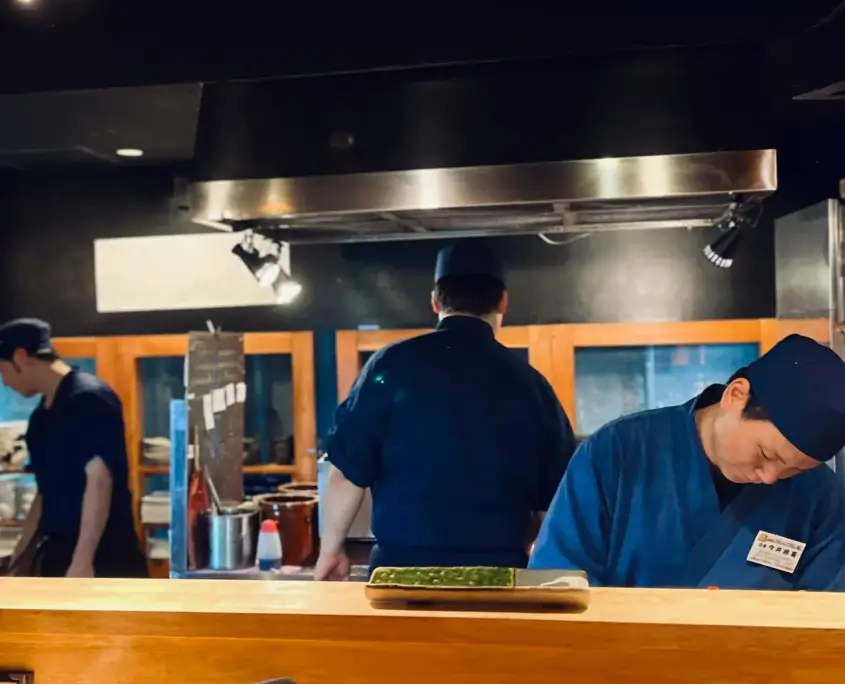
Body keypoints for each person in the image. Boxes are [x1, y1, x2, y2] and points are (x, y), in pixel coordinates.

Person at [315, 241, 577, 580]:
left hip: (399, 575)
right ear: (503, 302)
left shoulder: (391, 366)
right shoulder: (531, 384)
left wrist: (331, 552)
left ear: (436, 301)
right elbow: (557, 503)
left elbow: (346, 472)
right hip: (497, 576)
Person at [530, 334, 845, 591]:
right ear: (737, 395)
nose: (770, 478)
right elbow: (560, 581)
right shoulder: (618, 453)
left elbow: (827, 610)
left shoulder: (819, 494)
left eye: (796, 468)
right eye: (766, 454)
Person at [0, 318, 148, 578]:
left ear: (20, 357)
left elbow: (99, 480)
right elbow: (45, 494)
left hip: (104, 555)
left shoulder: (88, 398)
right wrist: (20, 559)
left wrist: (82, 560)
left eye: (3, 371)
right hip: (58, 552)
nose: (5, 382)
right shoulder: (41, 419)